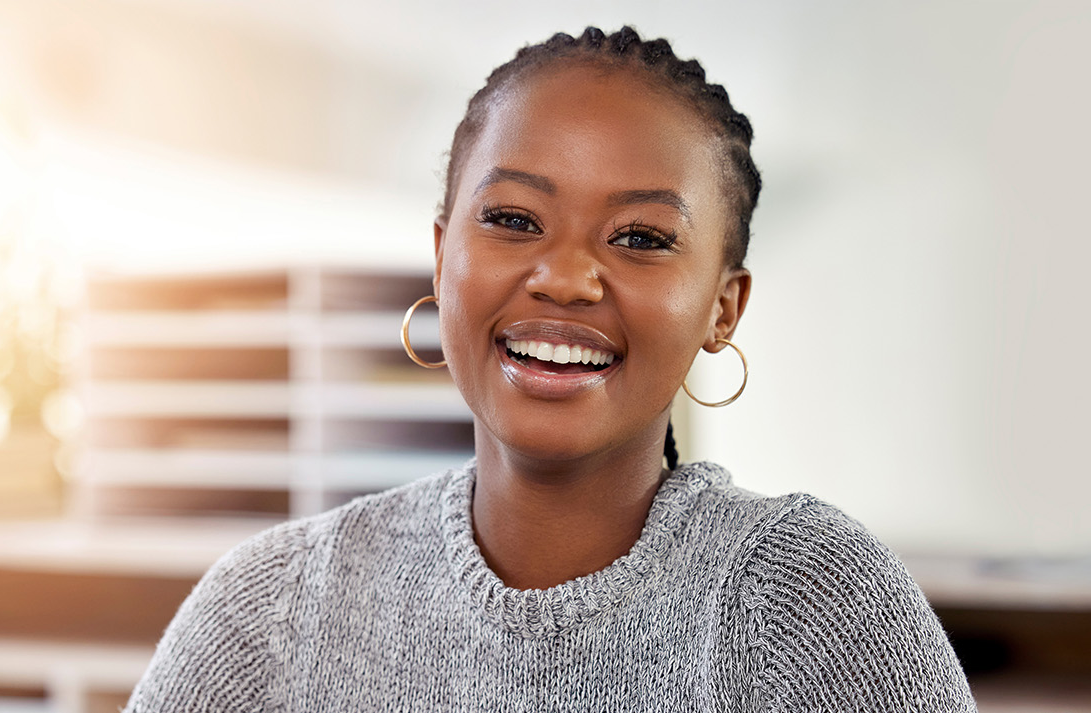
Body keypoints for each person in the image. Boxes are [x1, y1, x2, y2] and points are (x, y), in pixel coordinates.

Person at [126, 26, 975, 711]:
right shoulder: (274, 608)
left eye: (640, 237)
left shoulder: (814, 605)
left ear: (725, 306)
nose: (566, 277)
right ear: (440, 256)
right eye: (512, 218)